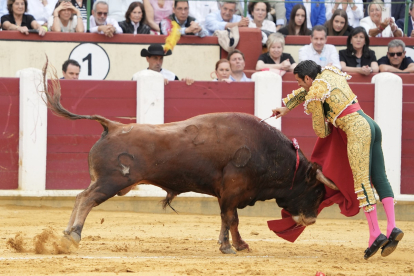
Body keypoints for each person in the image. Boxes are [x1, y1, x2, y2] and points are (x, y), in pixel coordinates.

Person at [271, 60, 404, 260]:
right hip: (369, 123)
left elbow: (321, 132)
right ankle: (392, 227)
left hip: (356, 130)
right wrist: (287, 108)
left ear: (308, 78)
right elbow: (308, 90)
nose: (300, 86)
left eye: (299, 82)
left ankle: (375, 233)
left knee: (362, 182)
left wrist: (324, 115)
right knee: (379, 176)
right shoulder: (328, 73)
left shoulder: (315, 93)